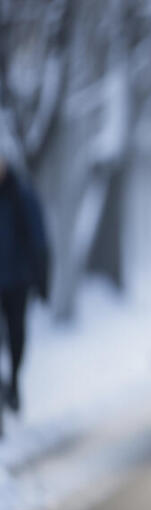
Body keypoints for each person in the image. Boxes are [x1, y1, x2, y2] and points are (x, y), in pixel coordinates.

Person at [0, 156, 50, 414]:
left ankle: (14, 381)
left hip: (17, 281)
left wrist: (42, 280)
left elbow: (38, 239)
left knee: (17, 336)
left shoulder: (21, 195)